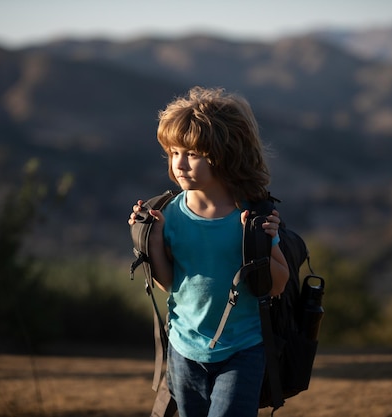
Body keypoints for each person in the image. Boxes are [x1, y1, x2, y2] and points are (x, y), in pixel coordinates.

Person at [128, 86, 289, 417]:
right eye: (173, 153)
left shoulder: (251, 216)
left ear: (223, 154)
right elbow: (170, 283)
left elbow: (279, 284)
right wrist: (153, 239)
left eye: (192, 154)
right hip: (184, 349)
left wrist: (256, 242)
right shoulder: (169, 215)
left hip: (243, 350)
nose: (180, 164)